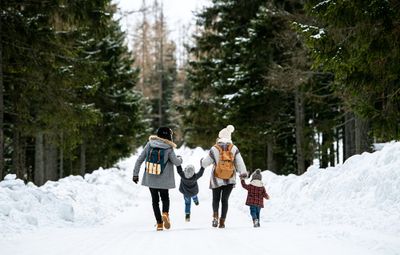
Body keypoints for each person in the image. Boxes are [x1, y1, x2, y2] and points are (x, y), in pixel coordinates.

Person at [132, 127, 182, 231]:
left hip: (151, 178)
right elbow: (176, 162)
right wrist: (180, 159)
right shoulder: (168, 147)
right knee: (165, 198)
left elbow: (139, 159)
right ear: (169, 136)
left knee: (155, 201)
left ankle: (159, 224)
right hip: (164, 180)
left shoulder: (150, 144)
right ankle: (165, 213)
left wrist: (135, 174)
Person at [200, 124, 248, 228]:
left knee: (216, 199)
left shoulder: (215, 148)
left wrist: (201, 162)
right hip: (230, 178)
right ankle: (222, 222)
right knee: (225, 200)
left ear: (220, 137)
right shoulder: (234, 148)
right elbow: (240, 163)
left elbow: (205, 163)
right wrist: (243, 174)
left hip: (216, 178)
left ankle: (215, 217)